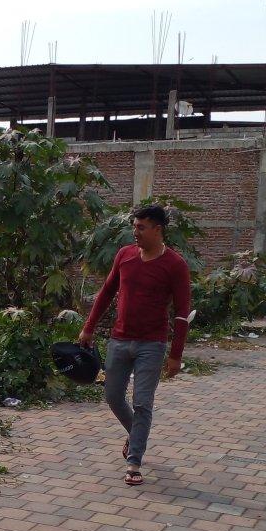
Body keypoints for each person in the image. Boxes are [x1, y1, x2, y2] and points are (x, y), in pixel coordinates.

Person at [78, 205, 191, 486]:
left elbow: (182, 313)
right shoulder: (125, 255)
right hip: (119, 340)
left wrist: (175, 355)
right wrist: (88, 327)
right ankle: (136, 435)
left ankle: (134, 461)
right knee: (113, 397)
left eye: (141, 227)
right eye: (134, 226)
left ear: (158, 229)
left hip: (151, 345)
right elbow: (106, 292)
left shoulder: (175, 265)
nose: (135, 232)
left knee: (142, 403)